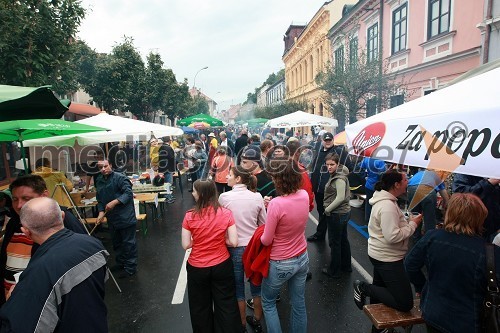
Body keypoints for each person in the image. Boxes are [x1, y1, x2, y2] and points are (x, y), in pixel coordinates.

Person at [0, 197, 109, 333]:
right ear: (62, 217)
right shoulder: (93, 244)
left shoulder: (39, 272)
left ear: (26, 232)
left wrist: (14, 301)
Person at [405, 193, 500, 333]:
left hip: (433, 312)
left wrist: (421, 287)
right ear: (480, 217)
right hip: (469, 321)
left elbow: (410, 265)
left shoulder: (432, 237)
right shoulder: (490, 252)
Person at [0, 175, 87, 305]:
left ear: (44, 195)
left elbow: (83, 259)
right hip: (12, 300)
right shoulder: (13, 223)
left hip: (44, 303)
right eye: (14, 199)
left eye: (26, 198)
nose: (19, 205)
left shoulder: (62, 219)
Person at [352, 170, 422, 332]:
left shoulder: (387, 201)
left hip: (381, 254)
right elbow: (392, 236)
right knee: (405, 302)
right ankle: (363, 287)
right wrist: (413, 225)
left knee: (379, 294)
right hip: (388, 258)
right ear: (396, 184)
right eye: (405, 179)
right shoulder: (387, 206)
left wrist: (406, 220)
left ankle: (378, 328)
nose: (408, 181)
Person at [181, 179, 241, 333]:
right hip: (222, 264)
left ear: (200, 194)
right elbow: (234, 242)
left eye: (194, 190)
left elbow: (186, 244)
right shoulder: (226, 213)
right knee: (226, 303)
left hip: (197, 268)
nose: (193, 193)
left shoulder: (189, 216)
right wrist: (220, 239)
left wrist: (199, 240)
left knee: (200, 307)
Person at [260, 159, 310, 333]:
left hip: (281, 262)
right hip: (302, 257)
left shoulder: (276, 204)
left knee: (268, 302)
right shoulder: (303, 194)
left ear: (279, 180)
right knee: (298, 303)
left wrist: (269, 209)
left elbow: (266, 240)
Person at [219, 166, 267, 333]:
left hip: (234, 247)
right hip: (254, 247)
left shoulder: (224, 197)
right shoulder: (257, 196)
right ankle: (257, 319)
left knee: (238, 288)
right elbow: (263, 224)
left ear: (238, 179)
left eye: (230, 174)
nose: (227, 177)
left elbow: (220, 223)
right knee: (256, 284)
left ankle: (241, 325)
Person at [96, 159, 138, 279]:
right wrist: (100, 212)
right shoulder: (99, 180)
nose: (103, 169)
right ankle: (121, 263)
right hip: (112, 218)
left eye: (105, 166)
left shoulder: (120, 178)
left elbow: (128, 194)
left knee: (128, 243)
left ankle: (130, 267)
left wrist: (115, 202)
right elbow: (99, 199)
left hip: (125, 217)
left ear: (111, 165)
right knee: (117, 242)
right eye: (100, 167)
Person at [322, 153, 352, 278]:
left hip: (337, 214)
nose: (329, 167)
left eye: (332, 165)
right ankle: (346, 266)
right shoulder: (341, 172)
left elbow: (340, 198)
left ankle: (334, 271)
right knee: (343, 240)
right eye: (327, 164)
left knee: (335, 243)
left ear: (338, 164)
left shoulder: (339, 179)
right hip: (343, 213)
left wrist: (327, 210)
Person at [307, 132, 337, 242]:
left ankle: (332, 238)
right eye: (326, 140)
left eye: (330, 140)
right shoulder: (319, 151)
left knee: (330, 214)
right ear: (322, 141)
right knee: (321, 212)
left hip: (330, 190)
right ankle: (320, 234)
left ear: (333, 140)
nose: (328, 142)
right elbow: (314, 167)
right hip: (318, 189)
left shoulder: (337, 152)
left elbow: (347, 168)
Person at [452, 173, 500, 240]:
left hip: (493, 226)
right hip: (470, 226)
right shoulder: (465, 171)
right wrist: (489, 183)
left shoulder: (494, 172)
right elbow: (461, 194)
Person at [407, 169, 450, 242]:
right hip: (427, 190)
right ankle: (428, 241)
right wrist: (446, 206)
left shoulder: (419, 173)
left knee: (415, 216)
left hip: (411, 189)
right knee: (429, 218)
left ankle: (415, 239)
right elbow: (444, 194)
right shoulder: (436, 176)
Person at [358, 156, 386, 224]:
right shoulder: (380, 161)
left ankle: (367, 220)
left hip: (368, 184)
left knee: (368, 203)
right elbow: (382, 174)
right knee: (378, 205)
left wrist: (364, 176)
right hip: (378, 186)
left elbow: (359, 167)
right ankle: (375, 222)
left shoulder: (367, 159)